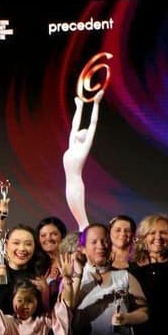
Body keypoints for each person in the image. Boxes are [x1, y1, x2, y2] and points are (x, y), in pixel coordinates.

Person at [62, 88, 104, 230]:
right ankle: (82, 239)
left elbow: (93, 123)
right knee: (79, 221)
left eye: (84, 132)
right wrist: (79, 107)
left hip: (76, 187)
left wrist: (96, 104)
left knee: (83, 221)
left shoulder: (83, 148)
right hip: (68, 187)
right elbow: (75, 125)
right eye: (81, 130)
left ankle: (85, 240)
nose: (81, 131)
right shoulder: (72, 145)